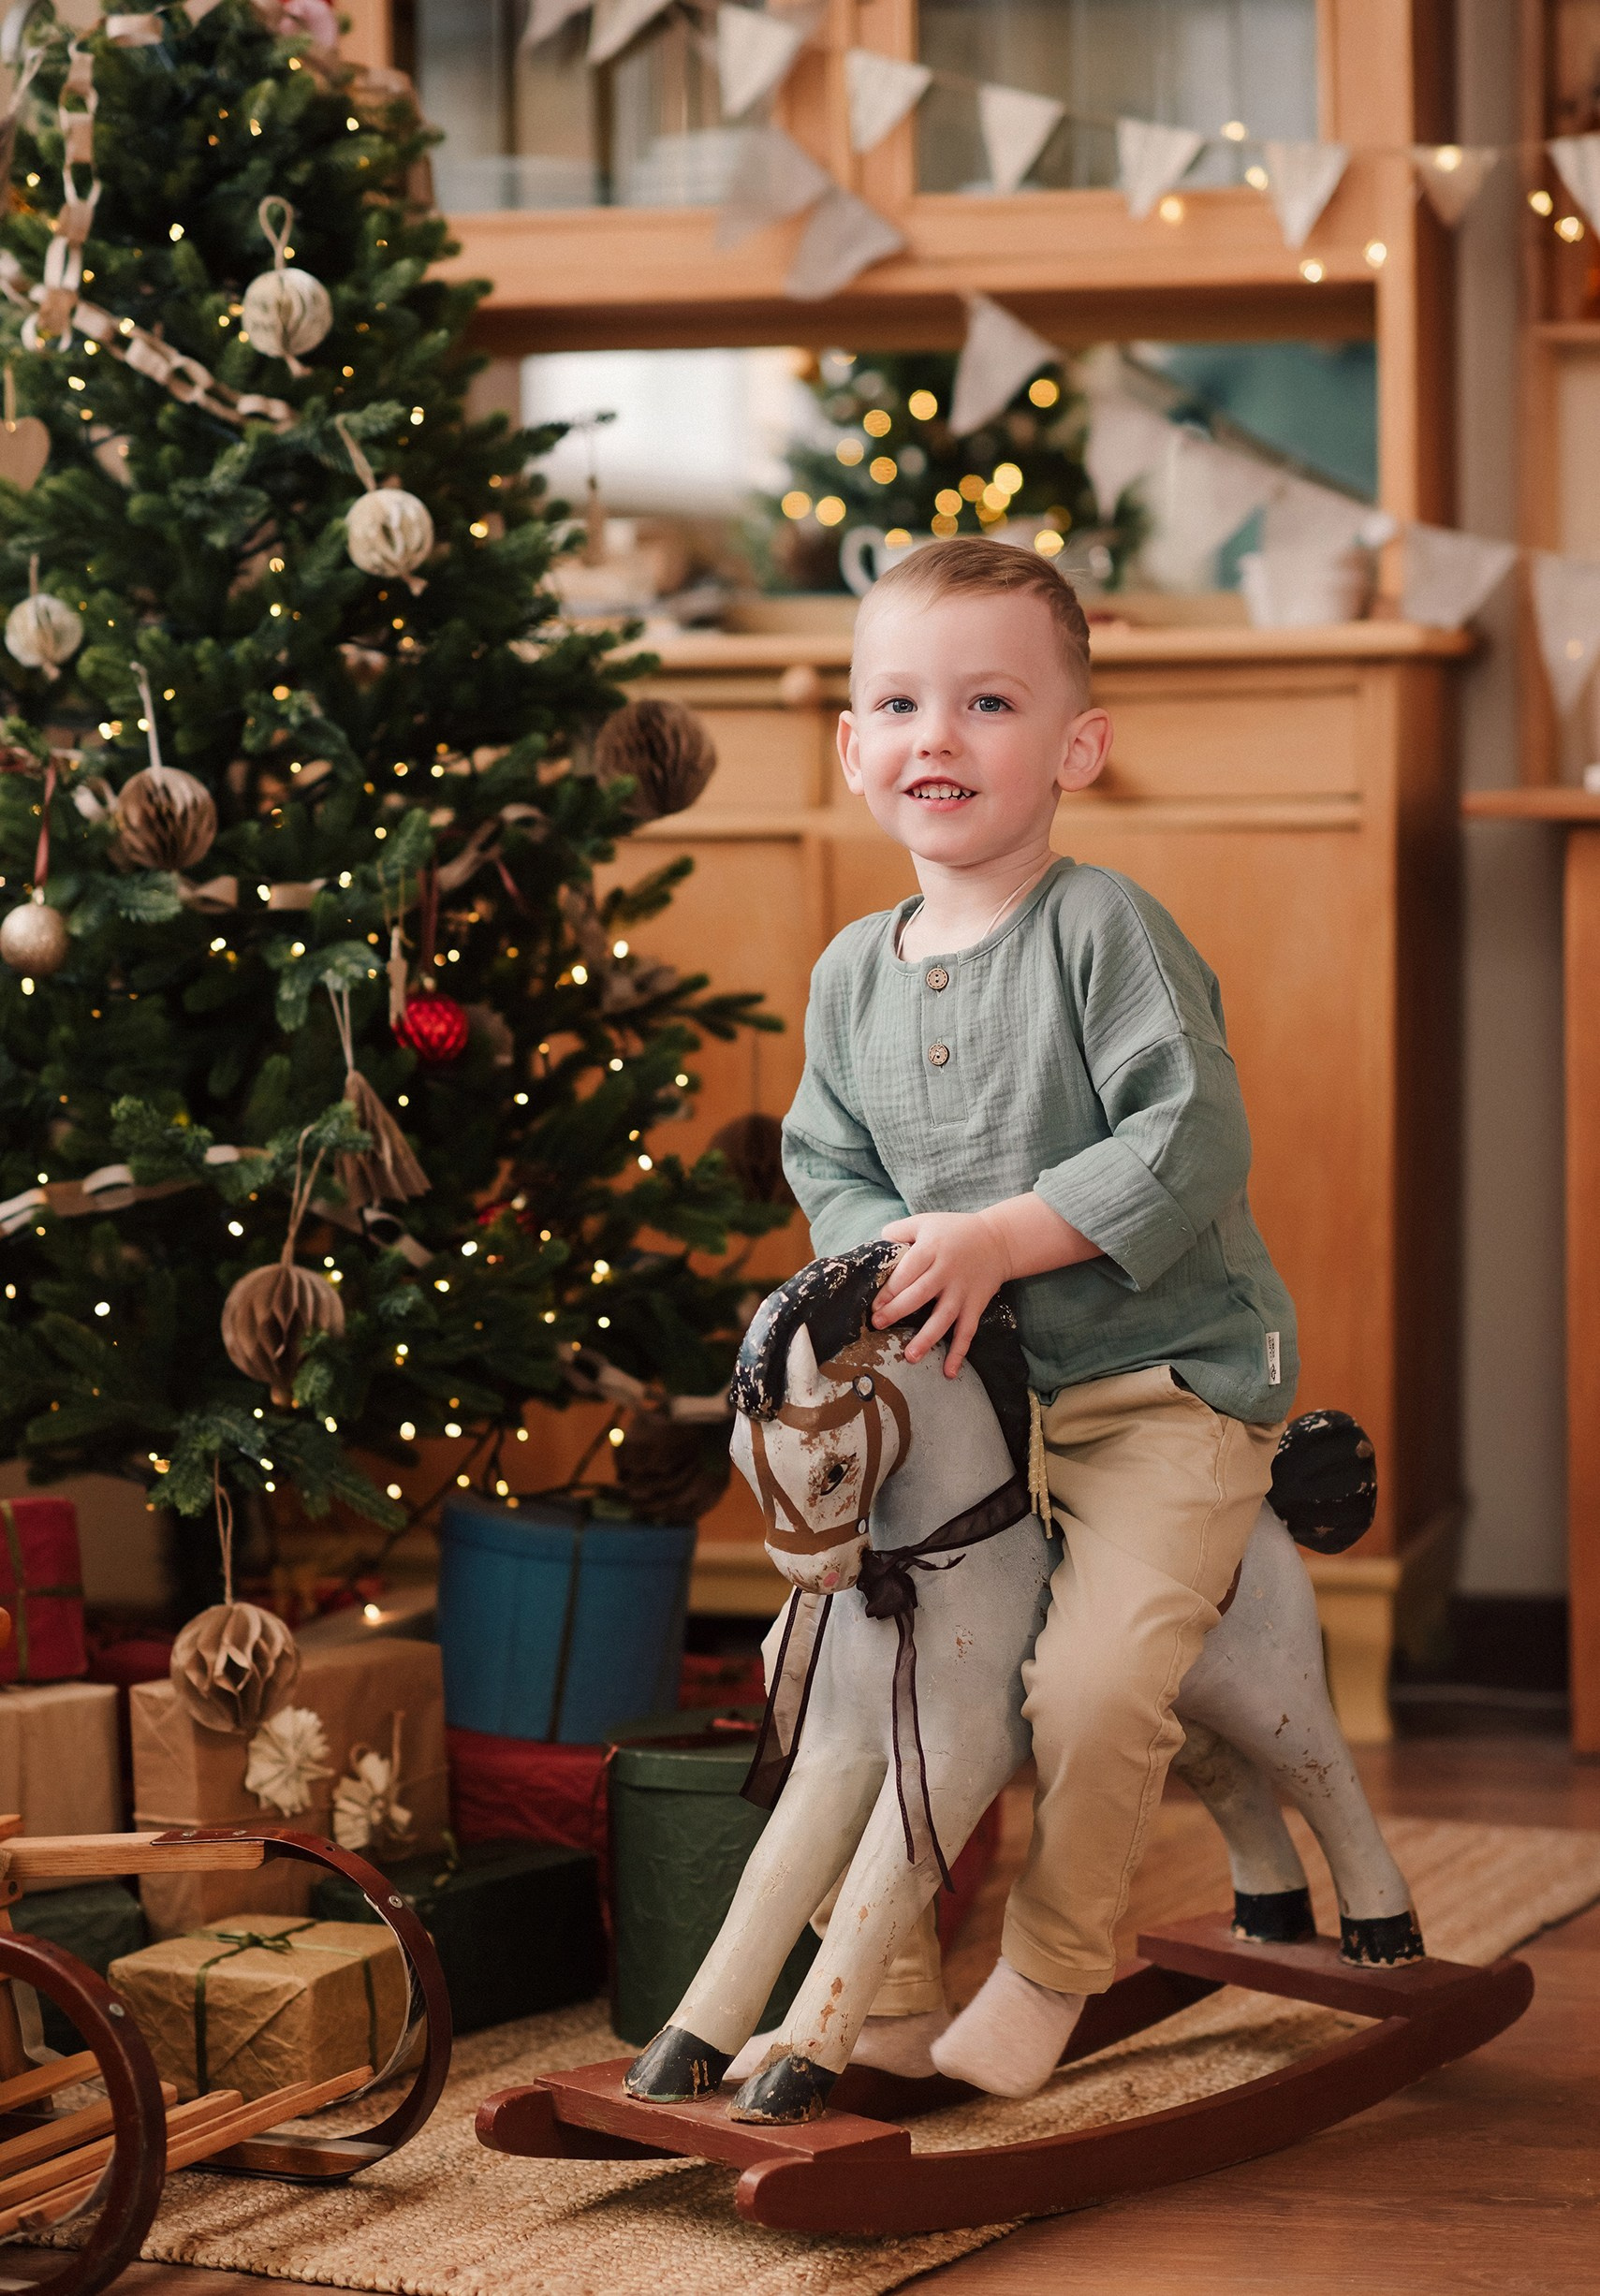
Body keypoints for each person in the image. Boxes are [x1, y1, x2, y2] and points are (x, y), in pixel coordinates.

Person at [779, 535, 1297, 2099]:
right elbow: (830, 1161)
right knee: (828, 1670)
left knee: (1084, 1687)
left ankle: (1051, 1961)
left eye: (987, 701)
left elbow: (1190, 1135)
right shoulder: (848, 975)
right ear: (854, 746)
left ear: (1074, 747)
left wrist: (1002, 1234)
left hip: (1161, 1390)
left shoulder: (1104, 929)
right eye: (900, 702)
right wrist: (896, 1260)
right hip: (971, 1411)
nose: (938, 737)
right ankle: (878, 1978)